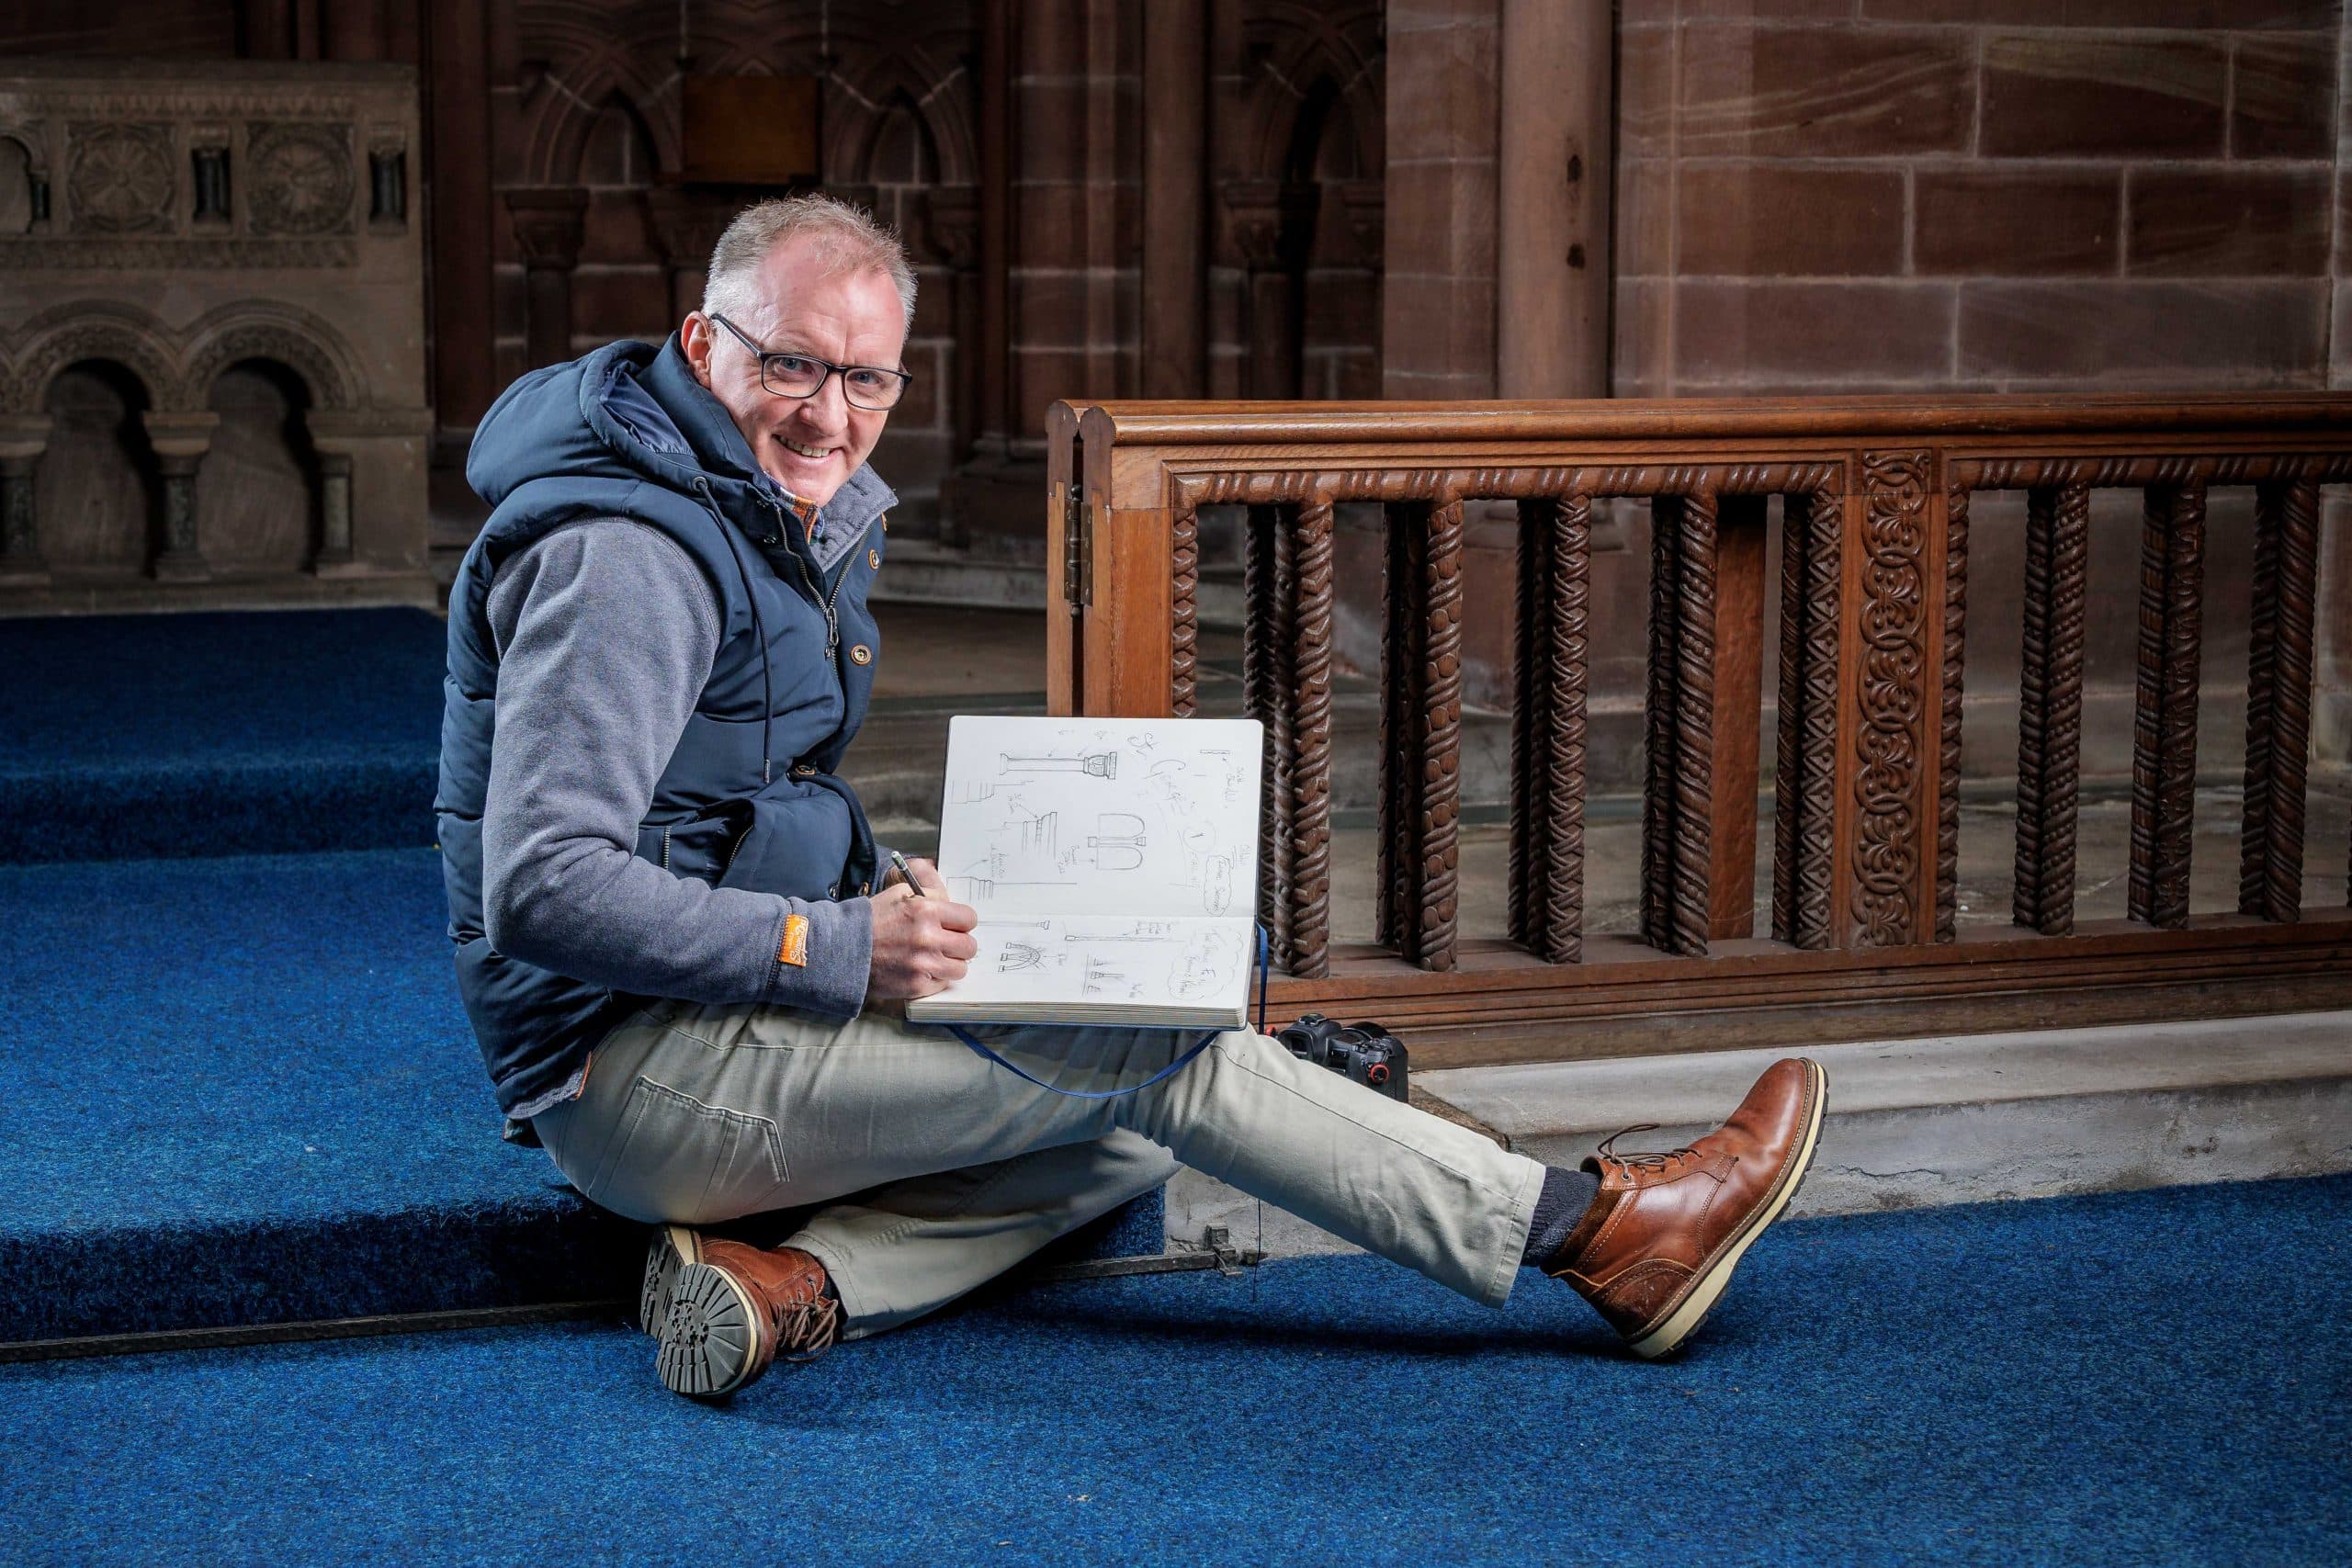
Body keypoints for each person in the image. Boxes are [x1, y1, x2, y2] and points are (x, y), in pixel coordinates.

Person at [437, 195, 1828, 1401]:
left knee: (1145, 1062)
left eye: (869, 379)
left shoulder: (743, 500)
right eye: (793, 363)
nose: (830, 411)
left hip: (720, 1020)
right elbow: (546, 885)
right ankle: (1604, 1237)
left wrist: (870, 880)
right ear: (702, 346)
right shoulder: (631, 555)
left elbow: (731, 792)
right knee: (1167, 1060)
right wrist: (836, 945)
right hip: (631, 1074)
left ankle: (795, 1285)